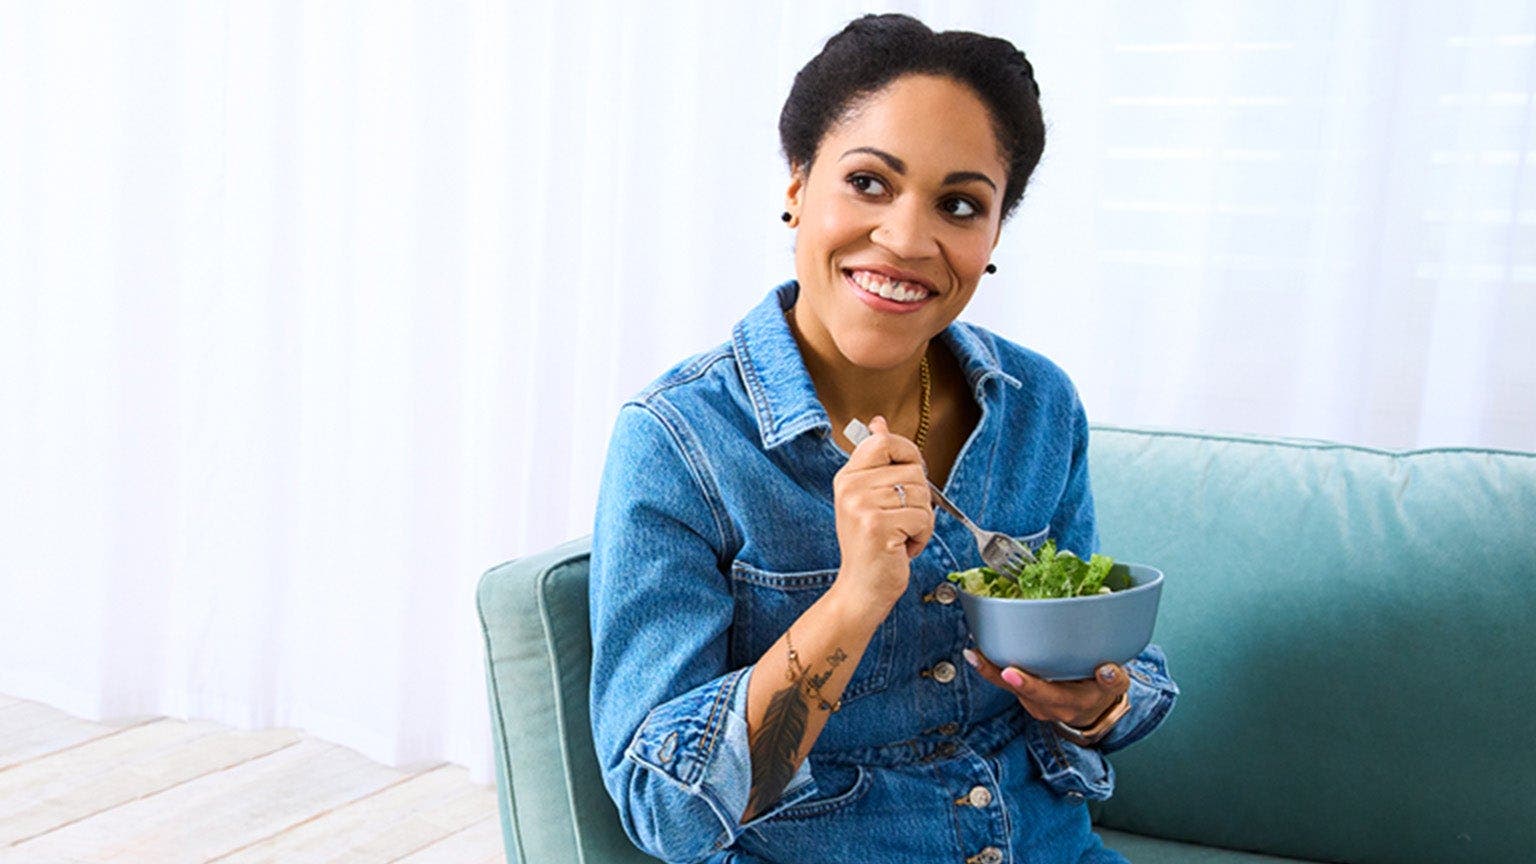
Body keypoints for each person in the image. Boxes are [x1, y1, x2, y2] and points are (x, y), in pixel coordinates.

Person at [589, 13, 1178, 864]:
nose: (906, 240)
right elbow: (664, 808)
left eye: (961, 205)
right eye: (869, 183)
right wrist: (857, 595)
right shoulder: (681, 442)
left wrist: (1094, 702)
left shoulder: (1036, 406)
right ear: (797, 185)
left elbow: (1112, 659)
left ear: (994, 236)